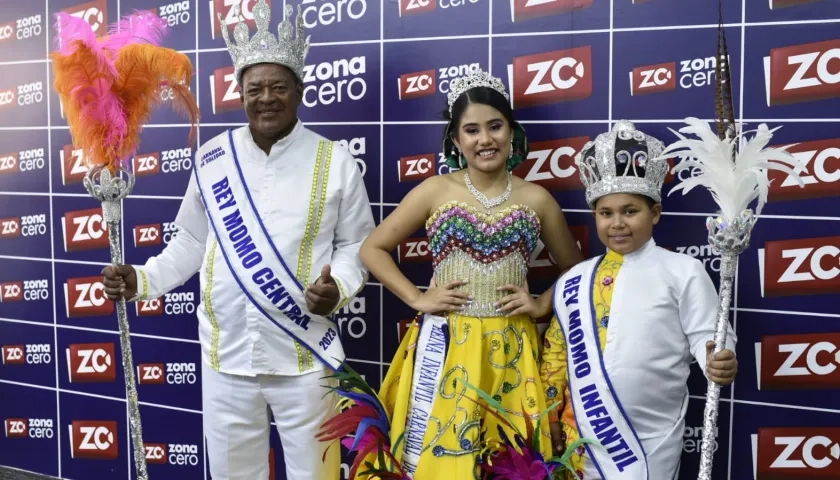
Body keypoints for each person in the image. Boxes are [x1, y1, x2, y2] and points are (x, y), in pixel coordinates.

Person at [101, 2, 376, 479]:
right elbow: (190, 241)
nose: (266, 98)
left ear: (299, 91)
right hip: (225, 359)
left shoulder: (335, 162)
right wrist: (142, 279)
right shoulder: (212, 159)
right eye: (255, 89)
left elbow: (358, 247)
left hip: (305, 357)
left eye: (278, 87)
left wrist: (341, 288)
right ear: (240, 93)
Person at [349, 68, 585, 479]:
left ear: (511, 132)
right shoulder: (435, 190)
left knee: (510, 459)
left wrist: (541, 302)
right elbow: (373, 249)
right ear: (456, 141)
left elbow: (577, 269)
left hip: (512, 350)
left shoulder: (537, 199)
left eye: (495, 126)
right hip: (446, 345)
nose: (484, 139)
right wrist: (417, 298)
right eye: (471, 130)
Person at [540, 121, 739, 480]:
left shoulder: (683, 270)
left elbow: (707, 336)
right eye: (606, 213)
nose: (617, 223)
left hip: (651, 442)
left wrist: (718, 358)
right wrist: (551, 417)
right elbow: (556, 353)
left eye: (630, 211)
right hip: (580, 440)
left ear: (655, 214)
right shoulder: (574, 280)